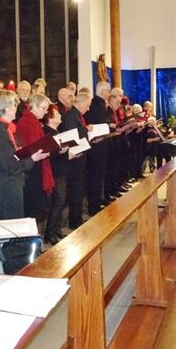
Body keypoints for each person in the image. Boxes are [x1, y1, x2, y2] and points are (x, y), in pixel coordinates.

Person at [0, 90, 48, 219]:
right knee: (12, 222)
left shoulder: (4, 128)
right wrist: (32, 159)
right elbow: (8, 166)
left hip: (10, 183)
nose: (16, 109)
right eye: (14, 105)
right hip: (6, 185)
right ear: (8, 108)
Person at [16, 93, 54, 220]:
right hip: (32, 169)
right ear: (34, 106)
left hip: (34, 166)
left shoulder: (32, 120)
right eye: (43, 108)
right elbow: (33, 146)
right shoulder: (28, 122)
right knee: (33, 209)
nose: (45, 112)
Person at [60, 93, 92, 229]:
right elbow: (71, 135)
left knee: (78, 189)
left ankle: (77, 218)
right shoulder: (70, 115)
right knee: (75, 189)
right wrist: (86, 129)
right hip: (74, 158)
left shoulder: (76, 115)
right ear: (81, 102)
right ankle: (74, 220)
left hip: (79, 156)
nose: (88, 109)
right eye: (87, 105)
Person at [43, 104, 69, 244]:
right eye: (57, 114)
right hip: (55, 171)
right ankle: (50, 234)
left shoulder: (56, 132)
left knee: (60, 202)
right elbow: (49, 154)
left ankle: (56, 229)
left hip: (61, 170)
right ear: (50, 118)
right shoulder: (47, 133)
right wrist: (60, 151)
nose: (60, 116)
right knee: (57, 202)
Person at [85, 81, 112, 215]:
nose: (109, 93)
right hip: (96, 145)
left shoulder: (99, 104)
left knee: (98, 177)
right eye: (108, 90)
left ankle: (96, 202)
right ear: (102, 91)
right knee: (96, 177)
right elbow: (99, 123)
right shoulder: (96, 104)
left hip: (100, 144)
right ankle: (93, 206)